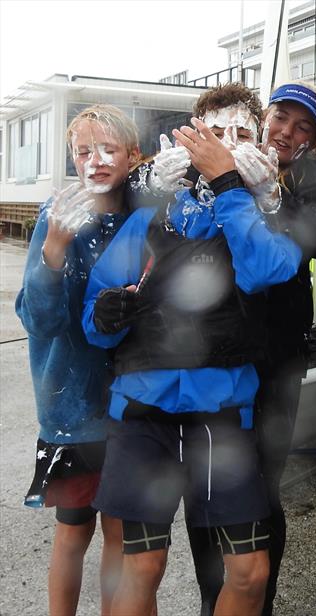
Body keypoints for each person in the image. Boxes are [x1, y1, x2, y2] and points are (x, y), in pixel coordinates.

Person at [81, 96, 302, 616]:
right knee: (140, 569)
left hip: (221, 421)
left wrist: (230, 186)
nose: (223, 148)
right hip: (143, 415)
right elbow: (96, 314)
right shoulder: (151, 216)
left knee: (250, 573)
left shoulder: (257, 215)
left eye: (240, 137)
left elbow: (270, 269)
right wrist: (105, 317)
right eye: (213, 134)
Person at [16, 104, 141, 615]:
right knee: (72, 529)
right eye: (83, 151)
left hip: (130, 405)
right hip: (71, 410)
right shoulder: (56, 216)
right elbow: (37, 319)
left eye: (108, 148)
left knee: (120, 532)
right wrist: (54, 249)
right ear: (71, 157)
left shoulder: (142, 217)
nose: (95, 160)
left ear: (133, 156)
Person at [252, 80, 316, 616]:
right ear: (263, 116)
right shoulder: (226, 167)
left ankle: (261, 603)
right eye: (280, 118)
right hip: (218, 358)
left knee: (264, 483)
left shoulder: (314, 185)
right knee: (211, 488)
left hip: (278, 360)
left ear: (314, 140)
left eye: (303, 127)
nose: (286, 133)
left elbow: (311, 243)